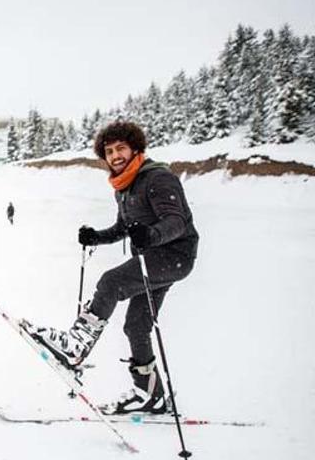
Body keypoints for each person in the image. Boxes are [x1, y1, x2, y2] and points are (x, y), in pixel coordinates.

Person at [21, 121, 199, 416]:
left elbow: (176, 221)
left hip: (174, 254)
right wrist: (96, 237)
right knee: (136, 326)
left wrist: (152, 235)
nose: (115, 156)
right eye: (109, 151)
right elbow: (123, 228)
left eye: (121, 149)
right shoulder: (124, 187)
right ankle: (150, 394)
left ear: (135, 149)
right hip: (153, 257)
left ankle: (76, 345)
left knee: (111, 281)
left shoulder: (158, 178)